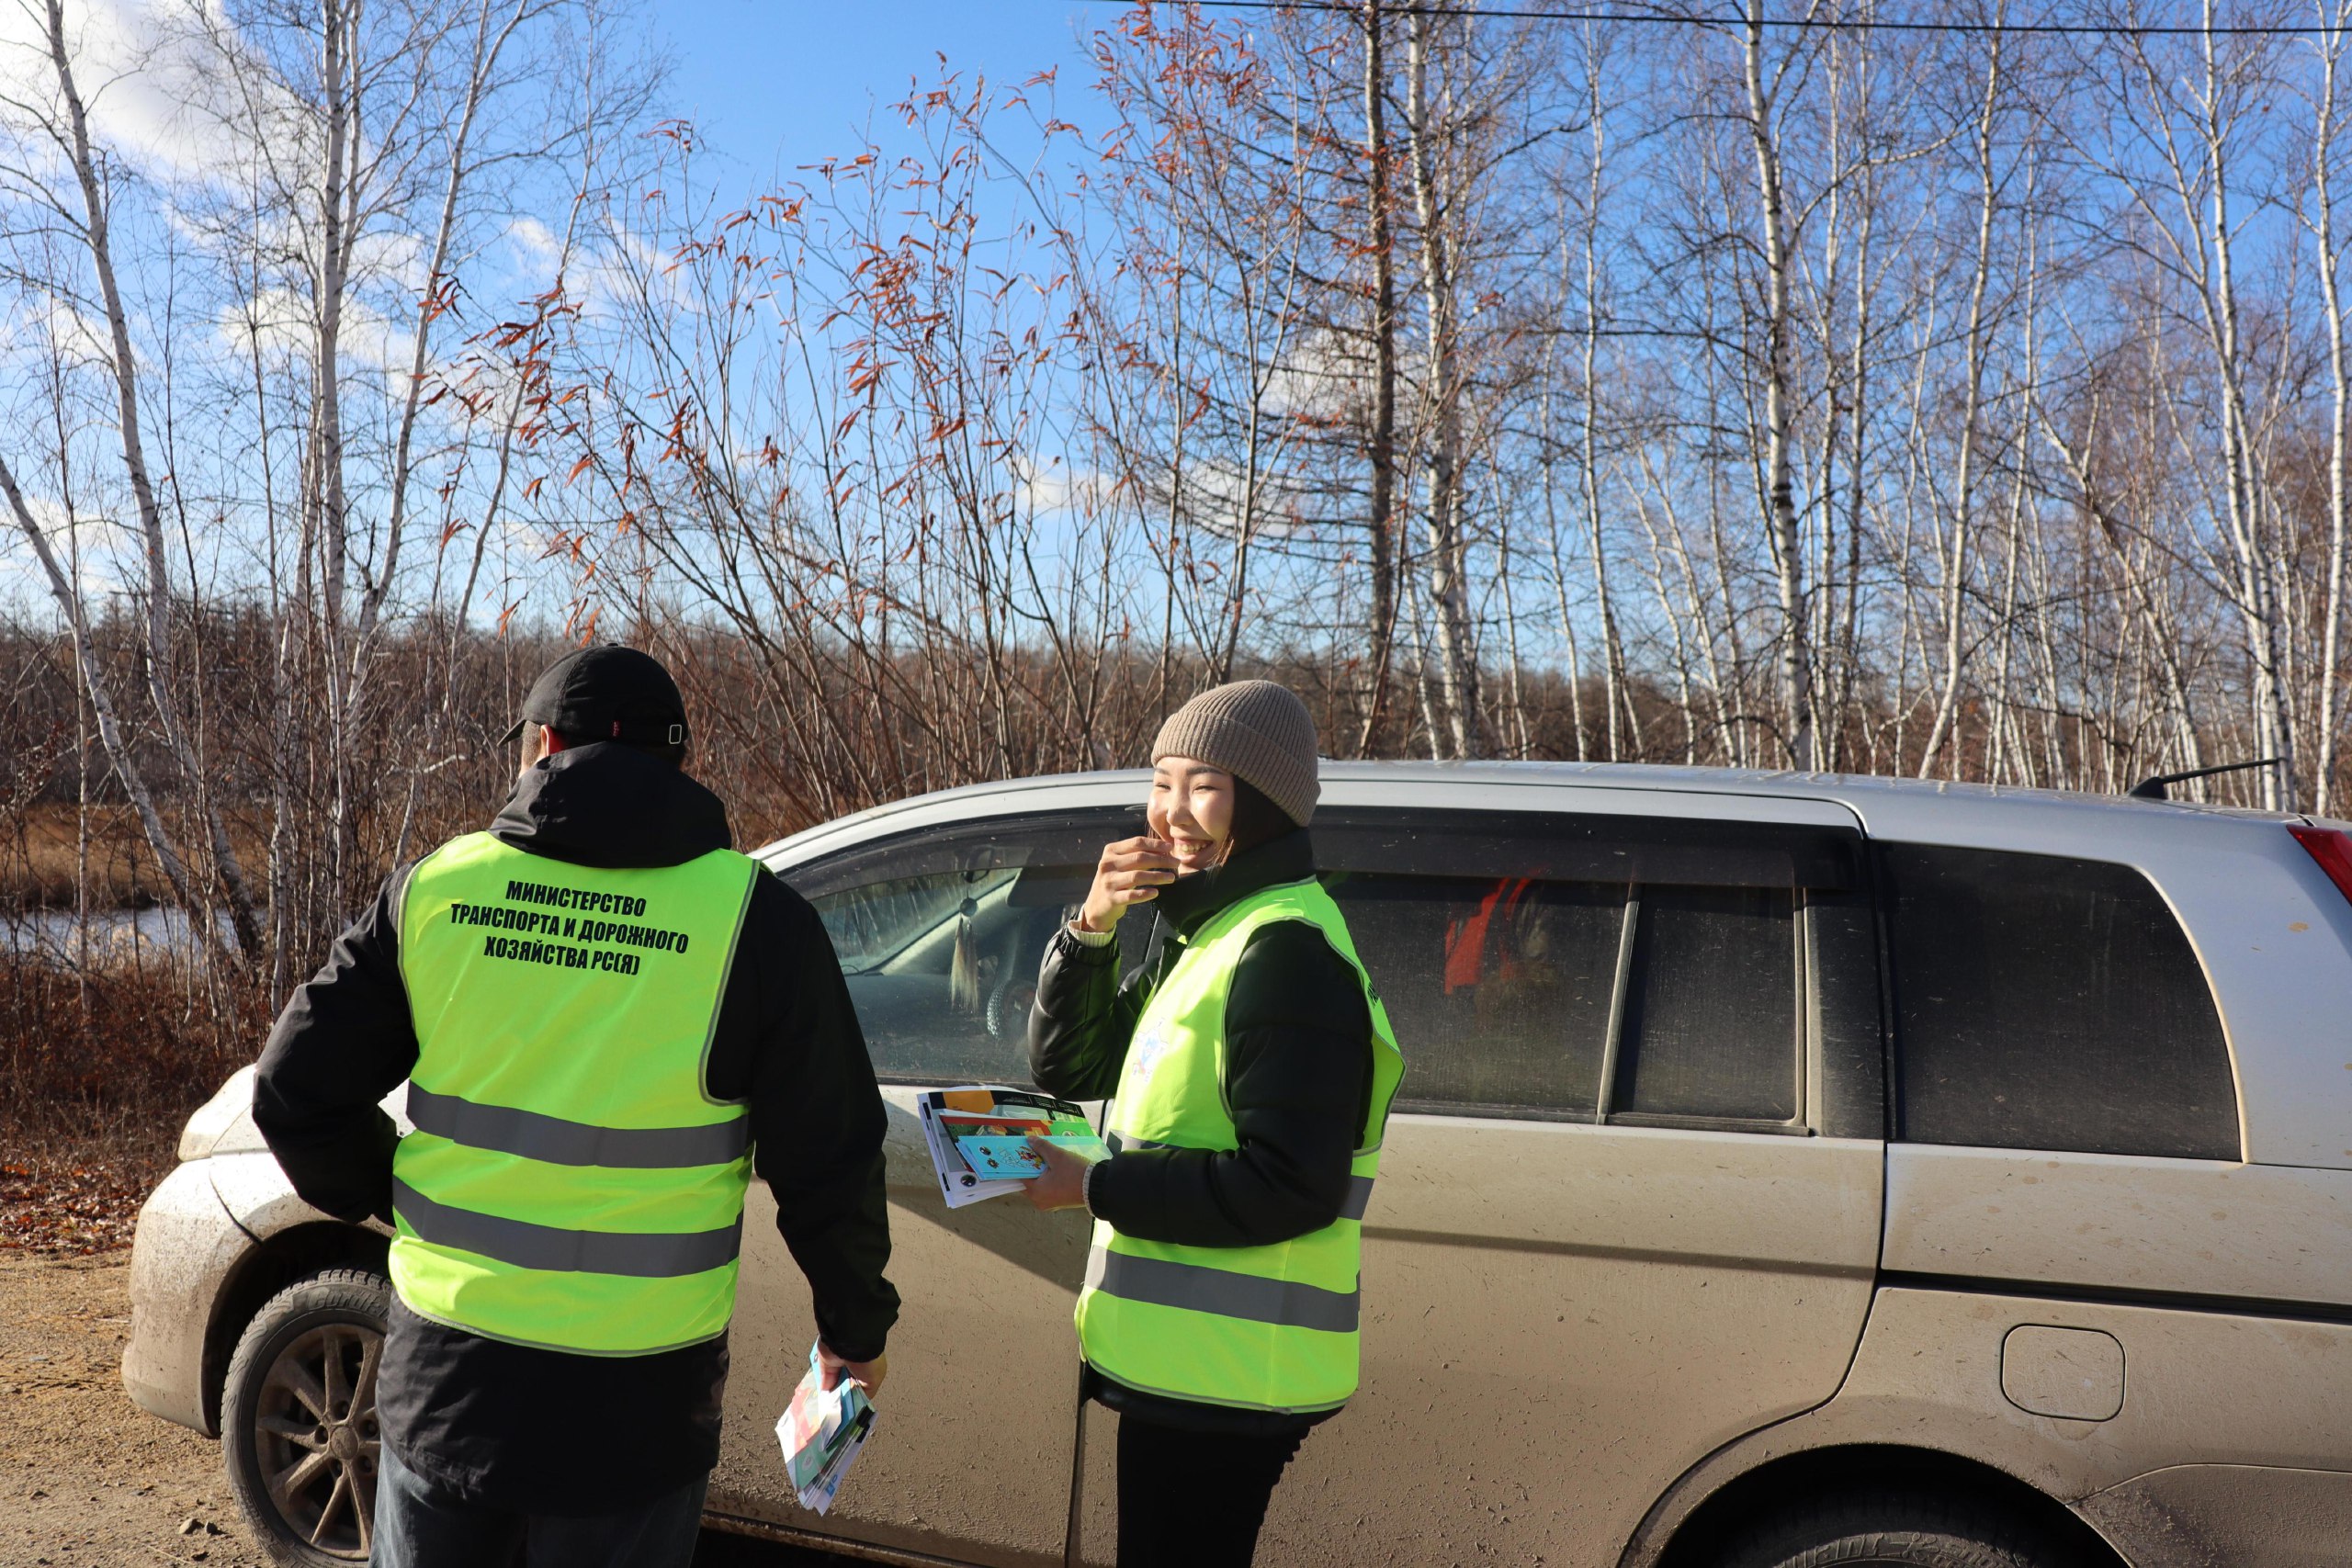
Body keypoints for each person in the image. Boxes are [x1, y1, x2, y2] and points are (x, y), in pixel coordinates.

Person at [252, 645, 897, 1567]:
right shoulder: (756, 920)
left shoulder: (436, 891)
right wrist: (853, 1333)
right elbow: (830, 1159)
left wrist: (403, 1197)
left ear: (542, 744)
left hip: (448, 1378)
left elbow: (292, 1095)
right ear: (679, 761)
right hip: (637, 1412)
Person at [1020, 680, 1404, 1568]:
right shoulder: (1210, 929)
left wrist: (1095, 1185)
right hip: (1187, 1370)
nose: (1171, 812)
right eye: (1162, 781)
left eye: (1204, 785)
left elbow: (1290, 1183)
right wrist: (1093, 924)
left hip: (1231, 1378)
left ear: (1261, 804)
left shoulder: (1284, 952)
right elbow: (1070, 1069)